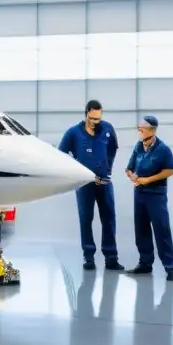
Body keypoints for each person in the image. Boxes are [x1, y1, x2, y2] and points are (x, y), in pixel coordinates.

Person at [59, 100, 123, 271]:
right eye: (93, 118)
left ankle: (111, 258)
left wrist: (107, 168)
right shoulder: (73, 133)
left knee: (109, 219)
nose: (96, 122)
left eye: (98, 118)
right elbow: (61, 155)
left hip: (104, 182)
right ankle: (89, 258)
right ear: (86, 113)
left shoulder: (108, 129)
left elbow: (113, 149)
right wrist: (76, 173)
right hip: (85, 184)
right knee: (86, 219)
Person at [124, 115, 173, 281]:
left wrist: (148, 179)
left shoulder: (163, 149)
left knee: (162, 230)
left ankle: (170, 268)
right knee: (141, 230)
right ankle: (145, 264)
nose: (139, 129)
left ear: (152, 129)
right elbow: (129, 168)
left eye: (143, 127)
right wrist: (132, 176)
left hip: (156, 195)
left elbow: (170, 170)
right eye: (139, 126)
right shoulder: (139, 146)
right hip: (139, 194)